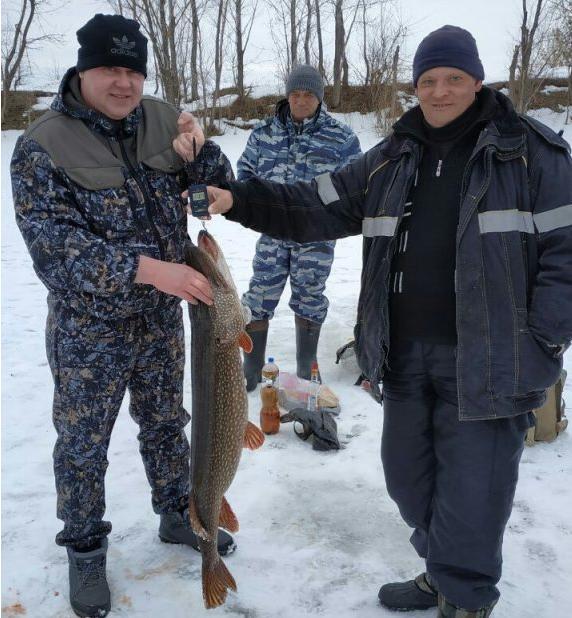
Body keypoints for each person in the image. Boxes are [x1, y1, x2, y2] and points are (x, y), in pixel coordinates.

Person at [206, 25, 572, 618]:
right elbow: (313, 204)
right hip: (404, 354)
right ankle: (444, 570)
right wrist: (237, 199)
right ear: (416, 86)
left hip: (490, 358)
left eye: (454, 78)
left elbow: (567, 254)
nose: (441, 91)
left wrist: (544, 341)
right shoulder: (393, 156)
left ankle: (465, 596)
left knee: (473, 490)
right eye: (428, 80)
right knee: (408, 479)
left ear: (477, 81)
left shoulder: (531, 152)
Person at [11, 14, 234, 618]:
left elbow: (214, 187)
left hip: (163, 320)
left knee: (167, 422)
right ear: (83, 70)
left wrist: (203, 153)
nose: (123, 83)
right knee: (83, 443)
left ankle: (176, 513)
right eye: (110, 69)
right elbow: (53, 248)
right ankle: (85, 551)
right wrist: (149, 269)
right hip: (91, 328)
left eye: (133, 70)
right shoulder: (42, 145)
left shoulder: (165, 120)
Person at [238, 64, 361, 390]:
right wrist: (260, 207)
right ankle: (251, 372)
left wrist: (321, 208)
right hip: (273, 233)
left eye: (309, 94)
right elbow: (245, 176)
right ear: (287, 95)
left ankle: (307, 371)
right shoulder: (263, 134)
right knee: (259, 297)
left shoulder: (341, 138)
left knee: (310, 297)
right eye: (296, 94)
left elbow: (354, 186)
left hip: (316, 235)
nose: (302, 100)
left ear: (319, 98)